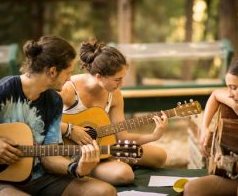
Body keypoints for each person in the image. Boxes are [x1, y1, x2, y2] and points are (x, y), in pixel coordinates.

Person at [0, 35, 116, 196]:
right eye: (68, 72)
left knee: (105, 191)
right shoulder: (2, 91)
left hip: (39, 177)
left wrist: (76, 168)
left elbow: (49, 157)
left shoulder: (54, 101)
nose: (70, 78)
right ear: (53, 71)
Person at [59, 40, 168, 185]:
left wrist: (154, 135)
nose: (121, 84)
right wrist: (70, 130)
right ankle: (94, 169)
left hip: (105, 149)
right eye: (117, 79)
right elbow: (43, 119)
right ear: (99, 77)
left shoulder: (115, 95)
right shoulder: (69, 89)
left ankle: (115, 160)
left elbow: (122, 136)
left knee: (159, 156)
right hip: (76, 155)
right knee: (125, 175)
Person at [183, 56, 238, 196]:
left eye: (234, 88)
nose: (230, 95)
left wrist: (237, 167)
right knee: (192, 188)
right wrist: (205, 128)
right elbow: (215, 95)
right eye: (228, 88)